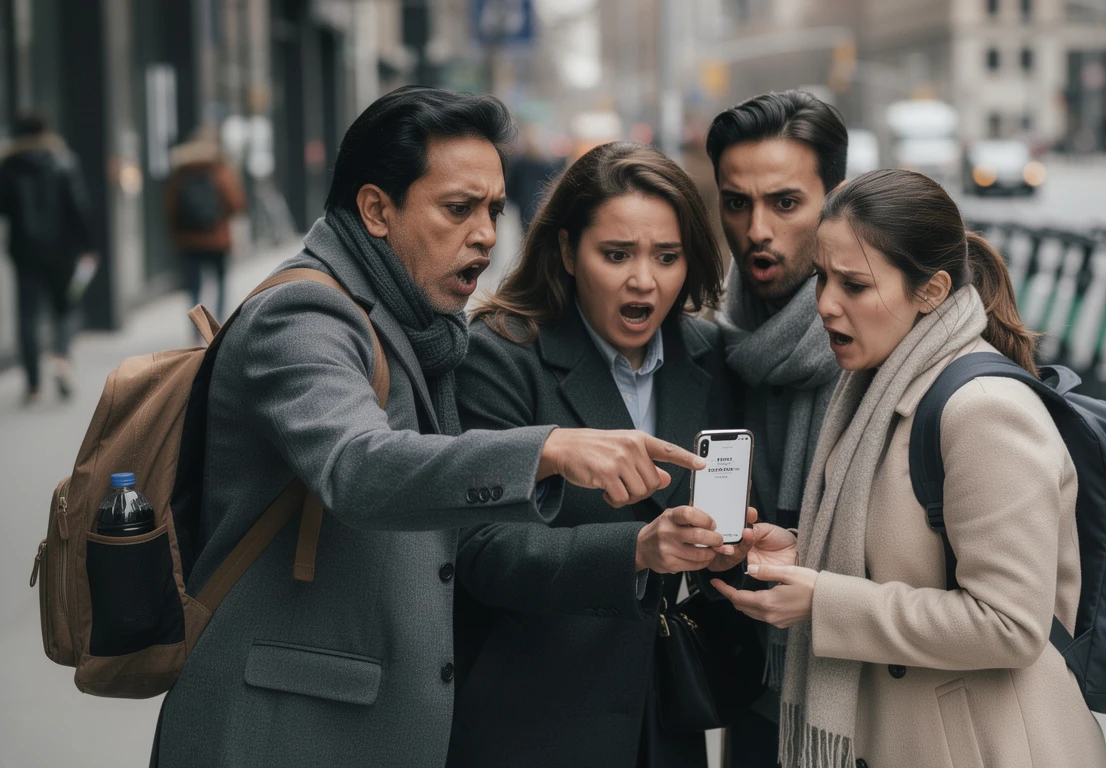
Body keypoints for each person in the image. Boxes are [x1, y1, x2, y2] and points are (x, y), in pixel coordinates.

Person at [151, 87, 706, 768]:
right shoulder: (301, 315)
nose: (485, 234)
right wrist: (548, 450)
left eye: (495, 210)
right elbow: (357, 466)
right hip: (282, 729)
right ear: (377, 210)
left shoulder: (419, 325)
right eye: (458, 209)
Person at [714, 169, 1106, 768]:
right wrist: (803, 553)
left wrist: (825, 599)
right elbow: (910, 557)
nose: (825, 304)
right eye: (823, 277)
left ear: (931, 291)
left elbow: (1010, 624)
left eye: (854, 285)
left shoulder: (985, 412)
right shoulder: (877, 390)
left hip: (991, 747)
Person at [450, 141, 745, 768]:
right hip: (532, 724)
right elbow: (479, 549)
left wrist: (733, 549)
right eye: (616, 255)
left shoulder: (708, 355)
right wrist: (637, 552)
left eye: (667, 257)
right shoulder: (499, 355)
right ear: (566, 251)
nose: (644, 279)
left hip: (665, 725)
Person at [701, 90, 848, 766]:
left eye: (785, 204)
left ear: (835, 203)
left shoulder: (889, 343)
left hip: (868, 699)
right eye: (738, 203)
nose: (757, 229)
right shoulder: (716, 341)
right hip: (753, 685)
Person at [0, 112, 94, 405]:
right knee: (65, 307)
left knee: (27, 315)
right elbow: (78, 206)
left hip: (25, 252)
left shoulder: (9, 166)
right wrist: (88, 244)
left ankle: (33, 386)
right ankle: (61, 358)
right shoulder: (63, 161)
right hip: (63, 251)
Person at [164, 126, 247, 320]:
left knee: (194, 286)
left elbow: (170, 209)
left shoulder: (181, 173)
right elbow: (237, 203)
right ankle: (217, 327)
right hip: (217, 239)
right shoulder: (219, 171)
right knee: (220, 283)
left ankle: (196, 327)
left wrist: (177, 234)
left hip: (189, 240)